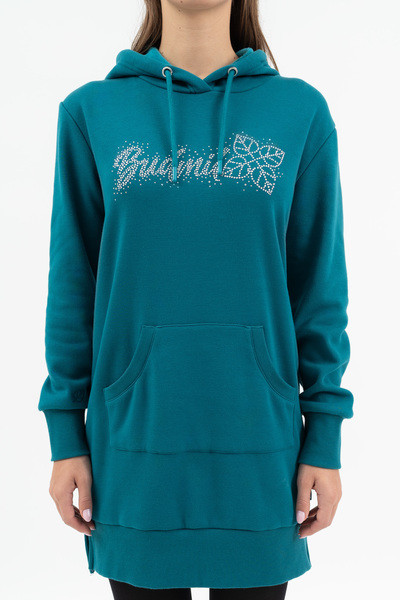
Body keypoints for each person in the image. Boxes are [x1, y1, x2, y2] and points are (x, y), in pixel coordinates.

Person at [38, 0, 354, 598]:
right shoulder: (91, 112)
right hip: (133, 449)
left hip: (262, 450)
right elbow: (72, 288)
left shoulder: (299, 111)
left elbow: (319, 292)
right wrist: (65, 434)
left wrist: (325, 435)